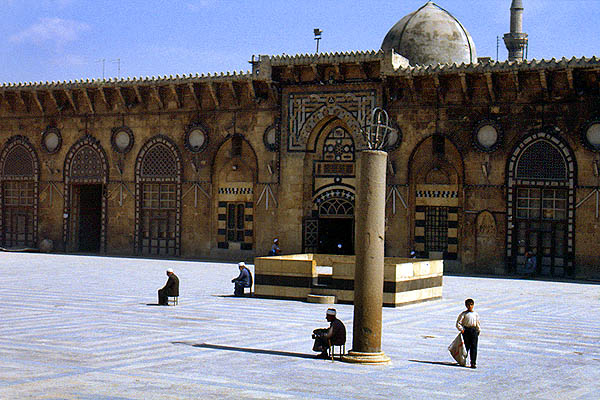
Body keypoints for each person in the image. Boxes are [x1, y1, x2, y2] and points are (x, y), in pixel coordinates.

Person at [456, 298, 481, 369]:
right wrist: (461, 329)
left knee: (474, 347)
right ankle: (463, 361)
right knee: (465, 347)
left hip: (473, 331)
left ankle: (473, 362)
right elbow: (458, 323)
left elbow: (477, 323)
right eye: (468, 305)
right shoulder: (463, 314)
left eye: (471, 305)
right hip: (466, 331)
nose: (470, 306)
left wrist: (478, 330)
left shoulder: (475, 314)